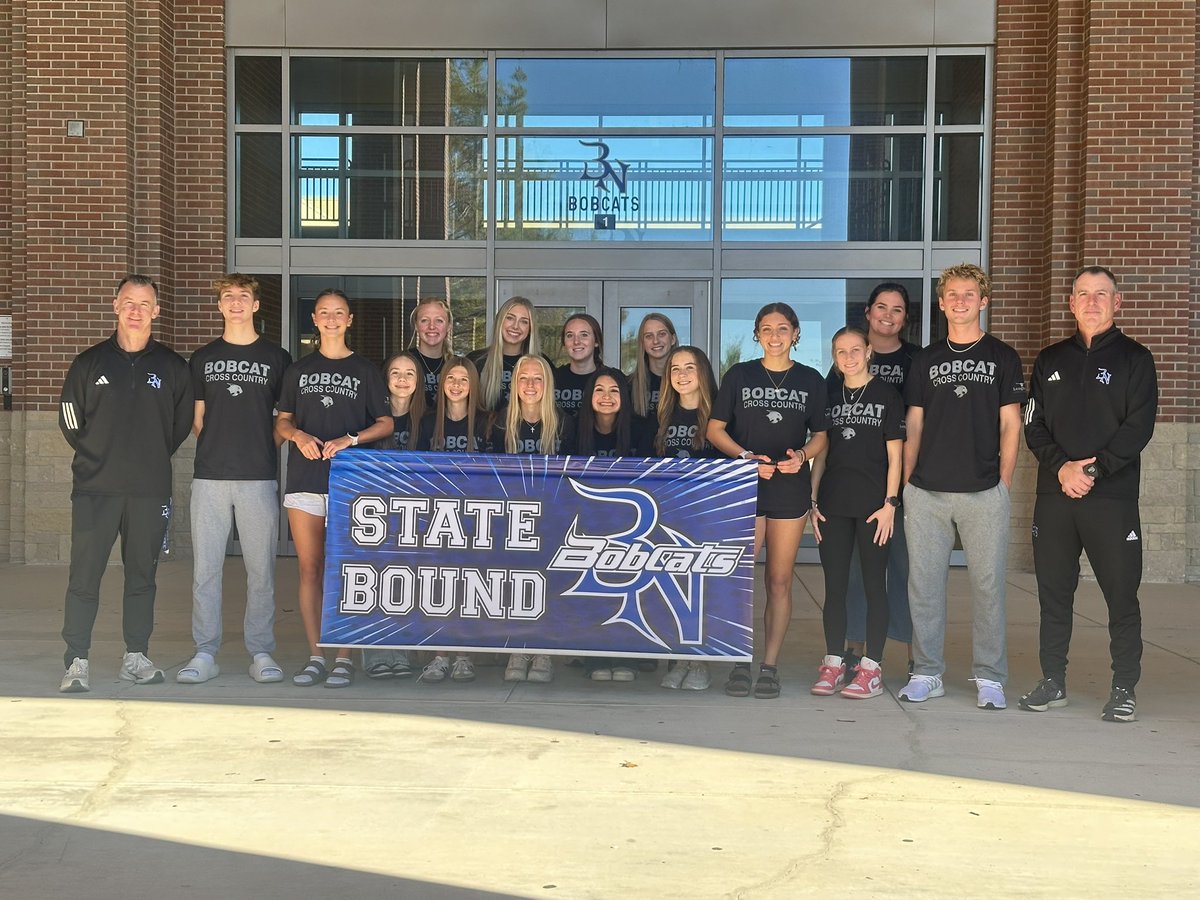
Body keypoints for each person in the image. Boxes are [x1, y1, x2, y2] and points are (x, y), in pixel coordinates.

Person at [1020, 266, 1158, 723]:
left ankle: (1123, 688)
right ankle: (1053, 681)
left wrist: (1092, 471)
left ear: (1118, 303)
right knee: (1053, 595)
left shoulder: (1137, 359)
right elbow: (1032, 425)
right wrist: (1062, 468)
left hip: (1110, 501)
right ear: (1071, 302)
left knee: (1122, 596)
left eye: (1103, 294)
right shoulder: (1049, 359)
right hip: (1056, 496)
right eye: (1084, 294)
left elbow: (1138, 428)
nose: (1093, 302)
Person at [898, 263, 1025, 710]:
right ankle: (928, 671)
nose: (959, 300)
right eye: (951, 293)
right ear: (941, 302)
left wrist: (1003, 483)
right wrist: (907, 484)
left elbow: (1011, 425)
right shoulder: (925, 359)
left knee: (988, 586)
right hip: (927, 491)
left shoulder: (1003, 356)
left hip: (983, 490)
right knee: (925, 585)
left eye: (969, 293)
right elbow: (914, 423)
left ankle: (990, 677)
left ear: (983, 301)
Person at [58, 274, 192, 693]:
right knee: (85, 576)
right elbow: (70, 420)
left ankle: (135, 656)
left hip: (149, 490)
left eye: (145, 303)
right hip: (96, 489)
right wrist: (100, 457)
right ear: (115, 306)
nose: (136, 311)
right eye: (128, 302)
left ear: (157, 310)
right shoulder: (88, 363)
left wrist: (145, 457)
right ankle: (76, 660)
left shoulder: (172, 367)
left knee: (142, 577)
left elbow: (180, 425)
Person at [708, 302, 830, 699]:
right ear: (756, 334)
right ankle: (738, 662)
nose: (774, 336)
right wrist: (743, 458)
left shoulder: (811, 379)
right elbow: (715, 430)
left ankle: (769, 665)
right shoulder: (739, 375)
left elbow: (821, 436)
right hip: (744, 487)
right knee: (740, 580)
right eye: (766, 329)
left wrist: (803, 457)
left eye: (782, 328)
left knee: (778, 580)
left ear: (795, 333)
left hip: (789, 491)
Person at [275, 289, 392, 689]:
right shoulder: (297, 370)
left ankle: (345, 655)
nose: (331, 318)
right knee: (310, 569)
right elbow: (282, 423)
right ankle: (316, 655)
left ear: (349, 320)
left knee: (345, 572)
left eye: (338, 312)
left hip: (350, 484)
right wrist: (298, 435)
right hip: (305, 482)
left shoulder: (365, 370)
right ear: (315, 319)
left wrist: (350, 439)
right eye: (324, 312)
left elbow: (386, 422)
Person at [180, 273, 293, 686]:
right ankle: (204, 651)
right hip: (210, 476)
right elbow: (198, 419)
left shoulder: (277, 358)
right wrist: (222, 448)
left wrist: (261, 451)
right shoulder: (203, 357)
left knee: (260, 570)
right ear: (219, 305)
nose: (235, 303)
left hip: (258, 477)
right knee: (205, 570)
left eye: (243, 297)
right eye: (228, 297)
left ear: (256, 305)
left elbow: (286, 419)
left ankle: (260, 651)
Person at [808, 327, 904, 699]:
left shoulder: (887, 395)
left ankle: (871, 669)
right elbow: (823, 454)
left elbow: (895, 457)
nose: (848, 357)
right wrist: (812, 503)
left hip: (872, 509)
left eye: (854, 350)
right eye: (840, 352)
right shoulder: (829, 398)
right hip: (833, 506)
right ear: (834, 357)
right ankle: (834, 663)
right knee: (834, 588)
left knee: (872, 586)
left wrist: (890, 504)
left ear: (868, 352)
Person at [836, 283, 921, 675]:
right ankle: (855, 647)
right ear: (868, 312)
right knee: (856, 570)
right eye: (881, 307)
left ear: (905, 318)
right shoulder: (843, 363)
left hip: (908, 484)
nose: (888, 315)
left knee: (905, 570)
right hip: (856, 489)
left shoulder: (917, 361)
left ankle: (910, 652)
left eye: (898, 309)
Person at [562, 367, 646, 683]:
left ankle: (628, 654)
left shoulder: (639, 430)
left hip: (631, 524)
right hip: (586, 522)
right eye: (599, 390)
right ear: (589, 397)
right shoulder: (573, 430)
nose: (607, 397)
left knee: (627, 586)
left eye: (614, 390)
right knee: (593, 588)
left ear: (623, 397)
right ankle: (594, 653)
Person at [415, 356, 490, 683]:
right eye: (451, 379)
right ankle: (439, 654)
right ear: (442, 384)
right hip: (438, 517)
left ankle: (464, 655)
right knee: (439, 586)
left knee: (470, 587)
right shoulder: (429, 423)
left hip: (478, 517)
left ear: (474, 385)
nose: (457, 385)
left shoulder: (489, 422)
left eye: (464, 379)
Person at [493, 355, 564, 683]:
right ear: (514, 384)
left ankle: (544, 651)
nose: (531, 385)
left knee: (547, 584)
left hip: (553, 515)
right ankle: (518, 647)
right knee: (516, 585)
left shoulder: (563, 422)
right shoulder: (497, 423)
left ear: (548, 384)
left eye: (538, 378)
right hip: (510, 518)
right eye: (524, 378)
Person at [655, 346, 719, 692]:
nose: (681, 374)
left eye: (689, 367)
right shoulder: (662, 414)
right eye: (675, 369)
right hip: (670, 517)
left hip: (706, 517)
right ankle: (679, 658)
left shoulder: (720, 416)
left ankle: (700, 661)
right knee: (673, 590)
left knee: (702, 589)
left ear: (703, 372)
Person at [361, 350, 427, 680]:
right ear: (385, 378)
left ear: (419, 382)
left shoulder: (428, 419)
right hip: (375, 513)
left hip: (413, 513)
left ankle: (400, 651)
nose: (402, 379)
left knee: (406, 582)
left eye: (410, 374)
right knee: (375, 580)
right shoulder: (368, 416)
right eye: (395, 373)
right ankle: (375, 653)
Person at [469, 296, 542, 412]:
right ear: (500, 321)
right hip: (484, 429)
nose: (515, 326)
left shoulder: (542, 364)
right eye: (510, 318)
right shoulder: (475, 360)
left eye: (524, 321)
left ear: (530, 329)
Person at [628, 313, 677, 420]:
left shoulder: (685, 382)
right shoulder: (629, 385)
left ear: (672, 339)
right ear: (642, 343)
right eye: (649, 336)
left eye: (662, 334)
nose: (655, 341)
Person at [554, 313, 604, 416]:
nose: (576, 341)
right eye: (570, 335)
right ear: (564, 343)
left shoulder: (611, 379)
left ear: (596, 342)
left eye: (584, 335)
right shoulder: (552, 378)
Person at [409, 298, 455, 407]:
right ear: (416, 326)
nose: (432, 326)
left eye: (439, 320)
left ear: (449, 326)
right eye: (424, 320)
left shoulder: (457, 365)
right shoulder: (402, 362)